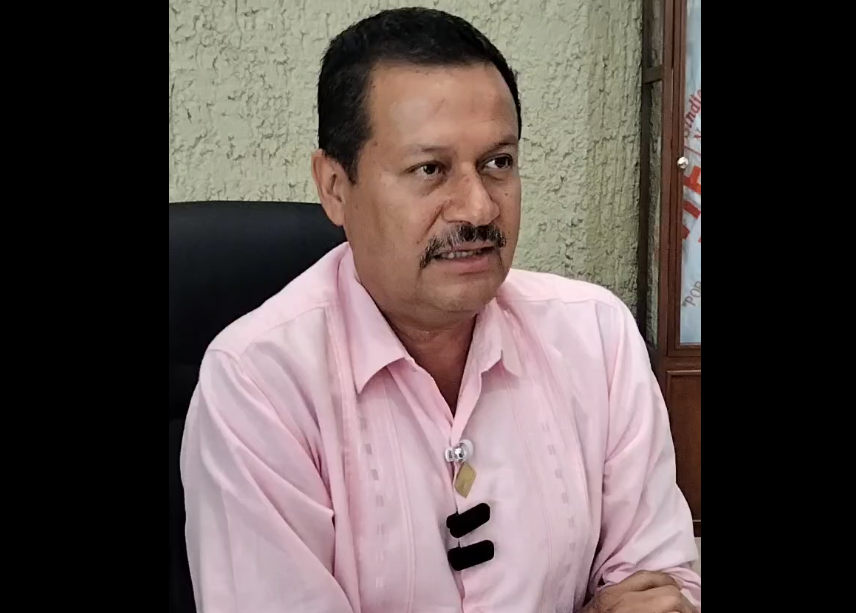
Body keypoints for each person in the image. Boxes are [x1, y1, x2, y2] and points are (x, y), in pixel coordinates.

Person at [181, 7, 702, 613]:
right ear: (334, 186)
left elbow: (664, 589)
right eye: (430, 169)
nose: (479, 209)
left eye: (498, 163)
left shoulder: (596, 336)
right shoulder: (259, 382)